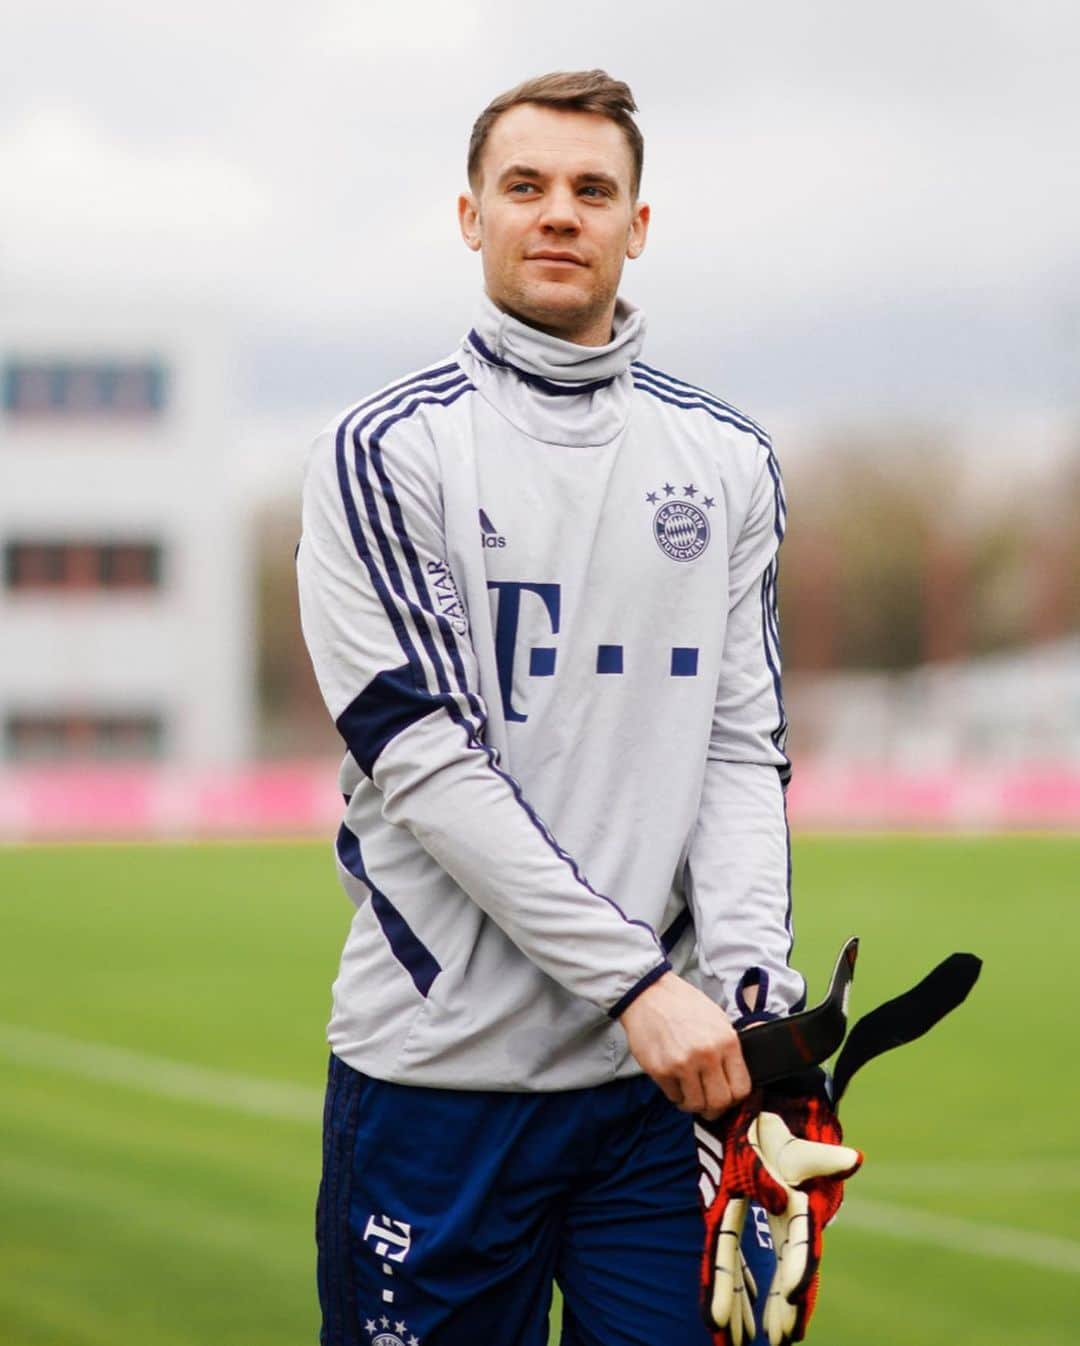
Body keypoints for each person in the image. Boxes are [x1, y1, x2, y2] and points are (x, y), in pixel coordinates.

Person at [297, 69, 837, 1346]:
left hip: (651, 1102)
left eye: (593, 190)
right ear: (472, 215)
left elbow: (739, 743)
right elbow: (426, 764)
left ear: (636, 226)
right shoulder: (387, 452)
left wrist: (755, 999)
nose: (559, 214)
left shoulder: (728, 458)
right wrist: (642, 984)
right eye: (525, 187)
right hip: (440, 1083)